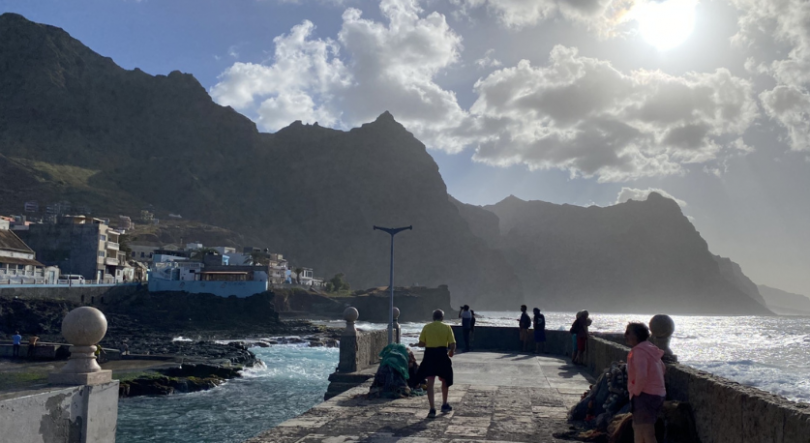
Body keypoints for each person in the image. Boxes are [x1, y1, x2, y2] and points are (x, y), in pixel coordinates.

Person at [625, 322, 666, 443]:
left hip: (645, 395)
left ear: (636, 335)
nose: (625, 335)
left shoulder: (639, 351)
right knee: (637, 428)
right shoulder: (650, 348)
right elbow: (663, 368)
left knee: (647, 432)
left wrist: (635, 392)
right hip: (657, 394)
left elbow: (642, 375)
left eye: (628, 332)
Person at [416, 309, 456, 419]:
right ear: (442, 318)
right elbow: (452, 343)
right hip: (442, 355)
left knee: (430, 381)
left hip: (430, 355)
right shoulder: (447, 327)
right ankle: (444, 404)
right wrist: (451, 351)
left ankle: (432, 409)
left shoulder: (427, 327)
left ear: (433, 317)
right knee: (445, 379)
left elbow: (421, 343)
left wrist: (427, 342)